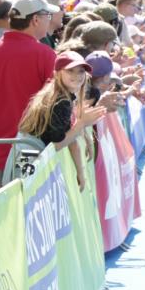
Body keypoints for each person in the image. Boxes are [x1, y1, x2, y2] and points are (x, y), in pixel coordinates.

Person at [0, 0, 58, 185]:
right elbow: (55, 107)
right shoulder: (45, 55)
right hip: (32, 153)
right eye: (48, 15)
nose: (50, 19)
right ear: (35, 20)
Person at [17, 51, 104, 191]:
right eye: (70, 71)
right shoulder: (60, 101)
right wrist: (82, 123)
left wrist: (81, 172)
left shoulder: (61, 95)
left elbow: (70, 137)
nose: (77, 76)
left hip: (28, 153)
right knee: (21, 201)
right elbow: (57, 144)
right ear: (58, 73)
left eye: (81, 71)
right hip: (28, 156)